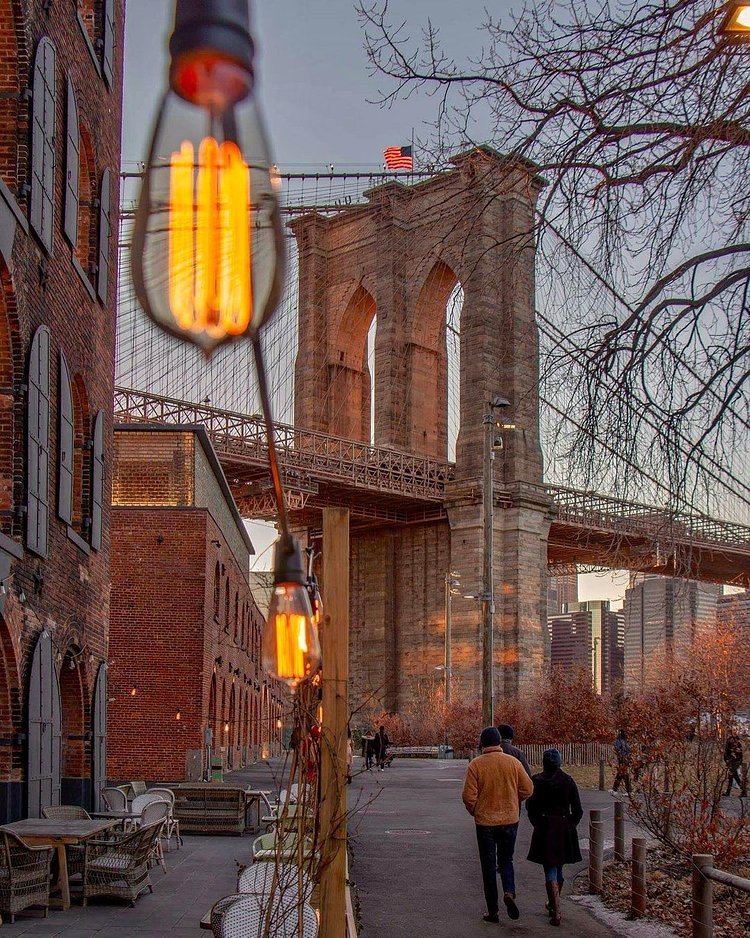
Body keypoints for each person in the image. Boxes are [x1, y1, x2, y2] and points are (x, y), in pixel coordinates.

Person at [462, 726, 533, 924]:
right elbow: (528, 789)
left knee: (488, 865)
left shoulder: (476, 765)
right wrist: (513, 800)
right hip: (510, 820)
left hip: (485, 822)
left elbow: (468, 797)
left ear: (482, 744)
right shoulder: (513, 763)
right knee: (506, 860)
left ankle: (493, 911)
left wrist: (476, 810)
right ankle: (509, 891)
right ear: (500, 742)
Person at [526, 748, 583, 927]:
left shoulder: (536, 781)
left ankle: (555, 907)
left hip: (545, 826)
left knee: (550, 866)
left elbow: (530, 807)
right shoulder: (568, 781)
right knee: (558, 866)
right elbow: (578, 809)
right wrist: (570, 824)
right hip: (564, 826)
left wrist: (537, 823)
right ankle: (554, 905)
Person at [612, 729, 632, 795]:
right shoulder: (626, 741)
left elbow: (617, 749)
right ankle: (615, 789)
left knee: (623, 774)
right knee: (620, 774)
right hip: (626, 759)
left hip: (622, 759)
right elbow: (629, 750)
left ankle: (628, 791)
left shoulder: (618, 741)